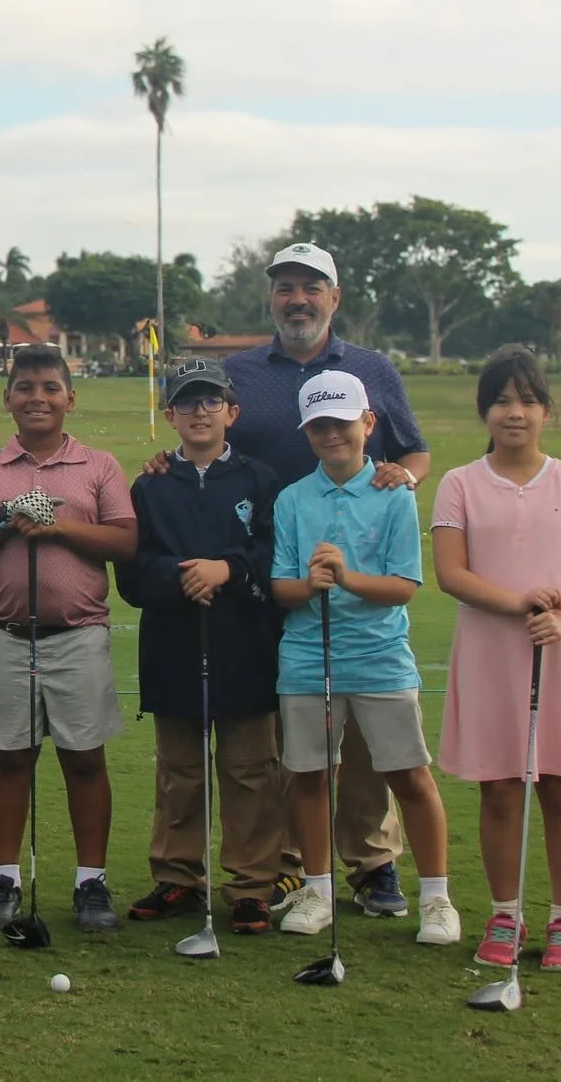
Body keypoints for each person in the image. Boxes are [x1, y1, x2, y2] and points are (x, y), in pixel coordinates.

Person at [149, 241, 430, 917]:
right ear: (271, 297)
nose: (297, 299)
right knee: (288, 732)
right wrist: (169, 463)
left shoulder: (371, 369)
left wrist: (402, 477)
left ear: (334, 297)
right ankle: (292, 867)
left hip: (350, 565)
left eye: (311, 287)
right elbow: (211, 436)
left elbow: (412, 446)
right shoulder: (243, 371)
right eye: (285, 288)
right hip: (268, 568)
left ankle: (371, 860)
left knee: (361, 732)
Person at [431, 345, 561, 974]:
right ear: (484, 412)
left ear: (547, 410)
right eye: (500, 400)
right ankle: (505, 913)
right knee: (498, 788)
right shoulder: (459, 483)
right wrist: (520, 602)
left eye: (526, 400)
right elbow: (451, 573)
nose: (513, 412)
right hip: (491, 650)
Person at [0, 345, 137, 932]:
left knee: (85, 759)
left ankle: (91, 882)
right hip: (8, 636)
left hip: (77, 635)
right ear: (7, 399)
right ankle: (5, 877)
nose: (38, 398)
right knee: (11, 758)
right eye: (25, 387)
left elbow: (125, 543)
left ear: (70, 399)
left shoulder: (98, 466)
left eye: (51, 388)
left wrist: (58, 525)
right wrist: (4, 519)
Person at [270, 370, 459, 947]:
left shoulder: (393, 494)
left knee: (409, 774)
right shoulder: (292, 498)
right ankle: (319, 890)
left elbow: (404, 585)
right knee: (308, 775)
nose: (332, 435)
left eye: (342, 423)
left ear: (368, 424)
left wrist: (346, 578)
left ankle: (436, 899)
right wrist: (310, 585)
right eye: (319, 425)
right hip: (306, 656)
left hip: (379, 657)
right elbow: (280, 586)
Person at [117, 358, 287, 935]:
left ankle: (251, 885)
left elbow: (273, 555)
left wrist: (228, 570)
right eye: (187, 402)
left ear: (231, 413)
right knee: (179, 772)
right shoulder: (151, 484)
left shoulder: (260, 481)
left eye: (211, 401)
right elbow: (134, 572)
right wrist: (180, 576)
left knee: (249, 771)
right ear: (169, 415)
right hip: (174, 645)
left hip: (245, 645)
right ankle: (178, 877)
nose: (199, 411)